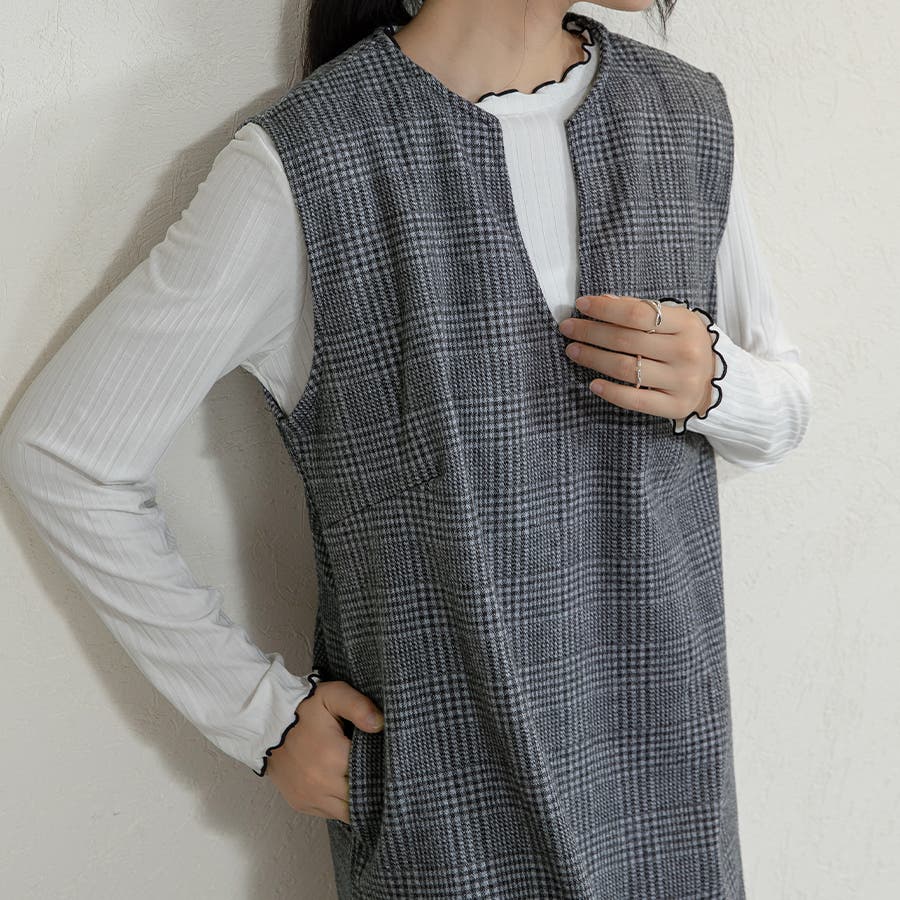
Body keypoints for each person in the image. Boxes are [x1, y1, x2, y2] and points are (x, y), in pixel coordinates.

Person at [0, 1, 811, 897]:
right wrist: (258, 717)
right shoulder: (310, 163)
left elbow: (786, 410)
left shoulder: (685, 116)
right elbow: (63, 455)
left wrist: (718, 381)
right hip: (447, 821)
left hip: (671, 793)